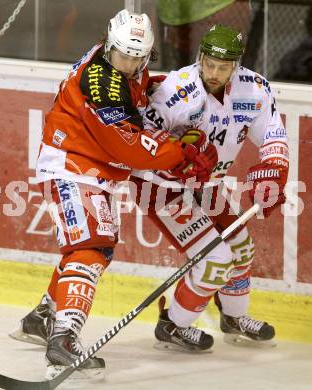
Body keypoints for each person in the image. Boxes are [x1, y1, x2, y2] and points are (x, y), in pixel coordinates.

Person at [9, 9, 213, 380]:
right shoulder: (102, 84)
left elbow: (138, 94)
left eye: (140, 57)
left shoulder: (120, 63)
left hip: (89, 169)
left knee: (89, 248)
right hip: (72, 166)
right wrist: (179, 152)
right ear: (110, 46)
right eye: (126, 56)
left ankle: (42, 318)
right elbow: (131, 149)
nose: (133, 64)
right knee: (91, 247)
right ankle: (64, 338)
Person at [132, 23, 289, 351]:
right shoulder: (175, 89)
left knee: (242, 248)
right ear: (200, 57)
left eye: (223, 67)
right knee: (215, 260)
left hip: (209, 184)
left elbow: (273, 134)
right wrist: (177, 156)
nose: (214, 73)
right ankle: (173, 325)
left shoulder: (255, 89)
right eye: (209, 64)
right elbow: (141, 138)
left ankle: (233, 317)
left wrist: (275, 169)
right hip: (163, 186)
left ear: (237, 65)